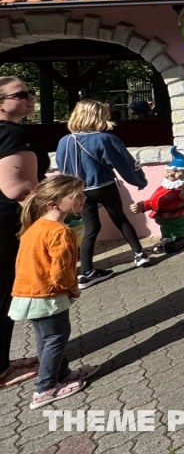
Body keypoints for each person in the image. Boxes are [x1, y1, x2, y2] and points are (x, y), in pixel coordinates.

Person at [9, 175, 96, 409]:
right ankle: (45, 388)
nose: (83, 198)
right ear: (53, 204)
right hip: (47, 296)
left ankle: (62, 374)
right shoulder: (60, 232)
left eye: (83, 193)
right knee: (56, 338)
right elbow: (60, 274)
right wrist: (73, 288)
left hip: (28, 295)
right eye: (77, 195)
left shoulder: (35, 227)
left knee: (46, 339)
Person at [55, 100, 149, 288]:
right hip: (104, 186)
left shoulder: (65, 140)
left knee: (91, 228)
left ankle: (86, 272)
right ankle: (140, 254)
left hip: (79, 190)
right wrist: (140, 181)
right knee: (120, 219)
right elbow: (125, 163)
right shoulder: (105, 138)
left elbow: (61, 165)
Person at [0, 77, 48, 389]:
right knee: (3, 293)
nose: (30, 97)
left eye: (30, 91)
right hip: (6, 226)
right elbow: (17, 189)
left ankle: (3, 363)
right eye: (20, 94)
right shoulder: (11, 133)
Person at [129, 148, 184, 254]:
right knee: (165, 228)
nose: (171, 175)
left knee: (178, 228)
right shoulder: (162, 189)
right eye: (169, 172)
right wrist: (141, 206)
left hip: (181, 215)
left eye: (177, 172)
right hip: (163, 216)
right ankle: (167, 239)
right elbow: (153, 201)